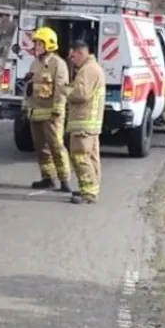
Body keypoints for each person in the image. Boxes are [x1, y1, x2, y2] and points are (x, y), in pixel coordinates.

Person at [27, 26, 72, 192]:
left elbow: (61, 89)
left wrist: (57, 110)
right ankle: (48, 178)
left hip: (52, 115)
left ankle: (65, 180)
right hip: (36, 113)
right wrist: (26, 107)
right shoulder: (34, 64)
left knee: (56, 146)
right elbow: (30, 88)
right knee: (41, 148)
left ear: (49, 45)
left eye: (40, 44)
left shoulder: (58, 64)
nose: (36, 47)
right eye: (36, 44)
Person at [65, 38, 105, 205]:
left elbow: (80, 94)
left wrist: (65, 89)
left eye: (73, 56)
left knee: (80, 156)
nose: (71, 59)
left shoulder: (88, 70)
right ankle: (91, 189)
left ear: (81, 53)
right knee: (91, 157)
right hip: (91, 124)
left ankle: (88, 192)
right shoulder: (92, 68)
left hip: (84, 122)